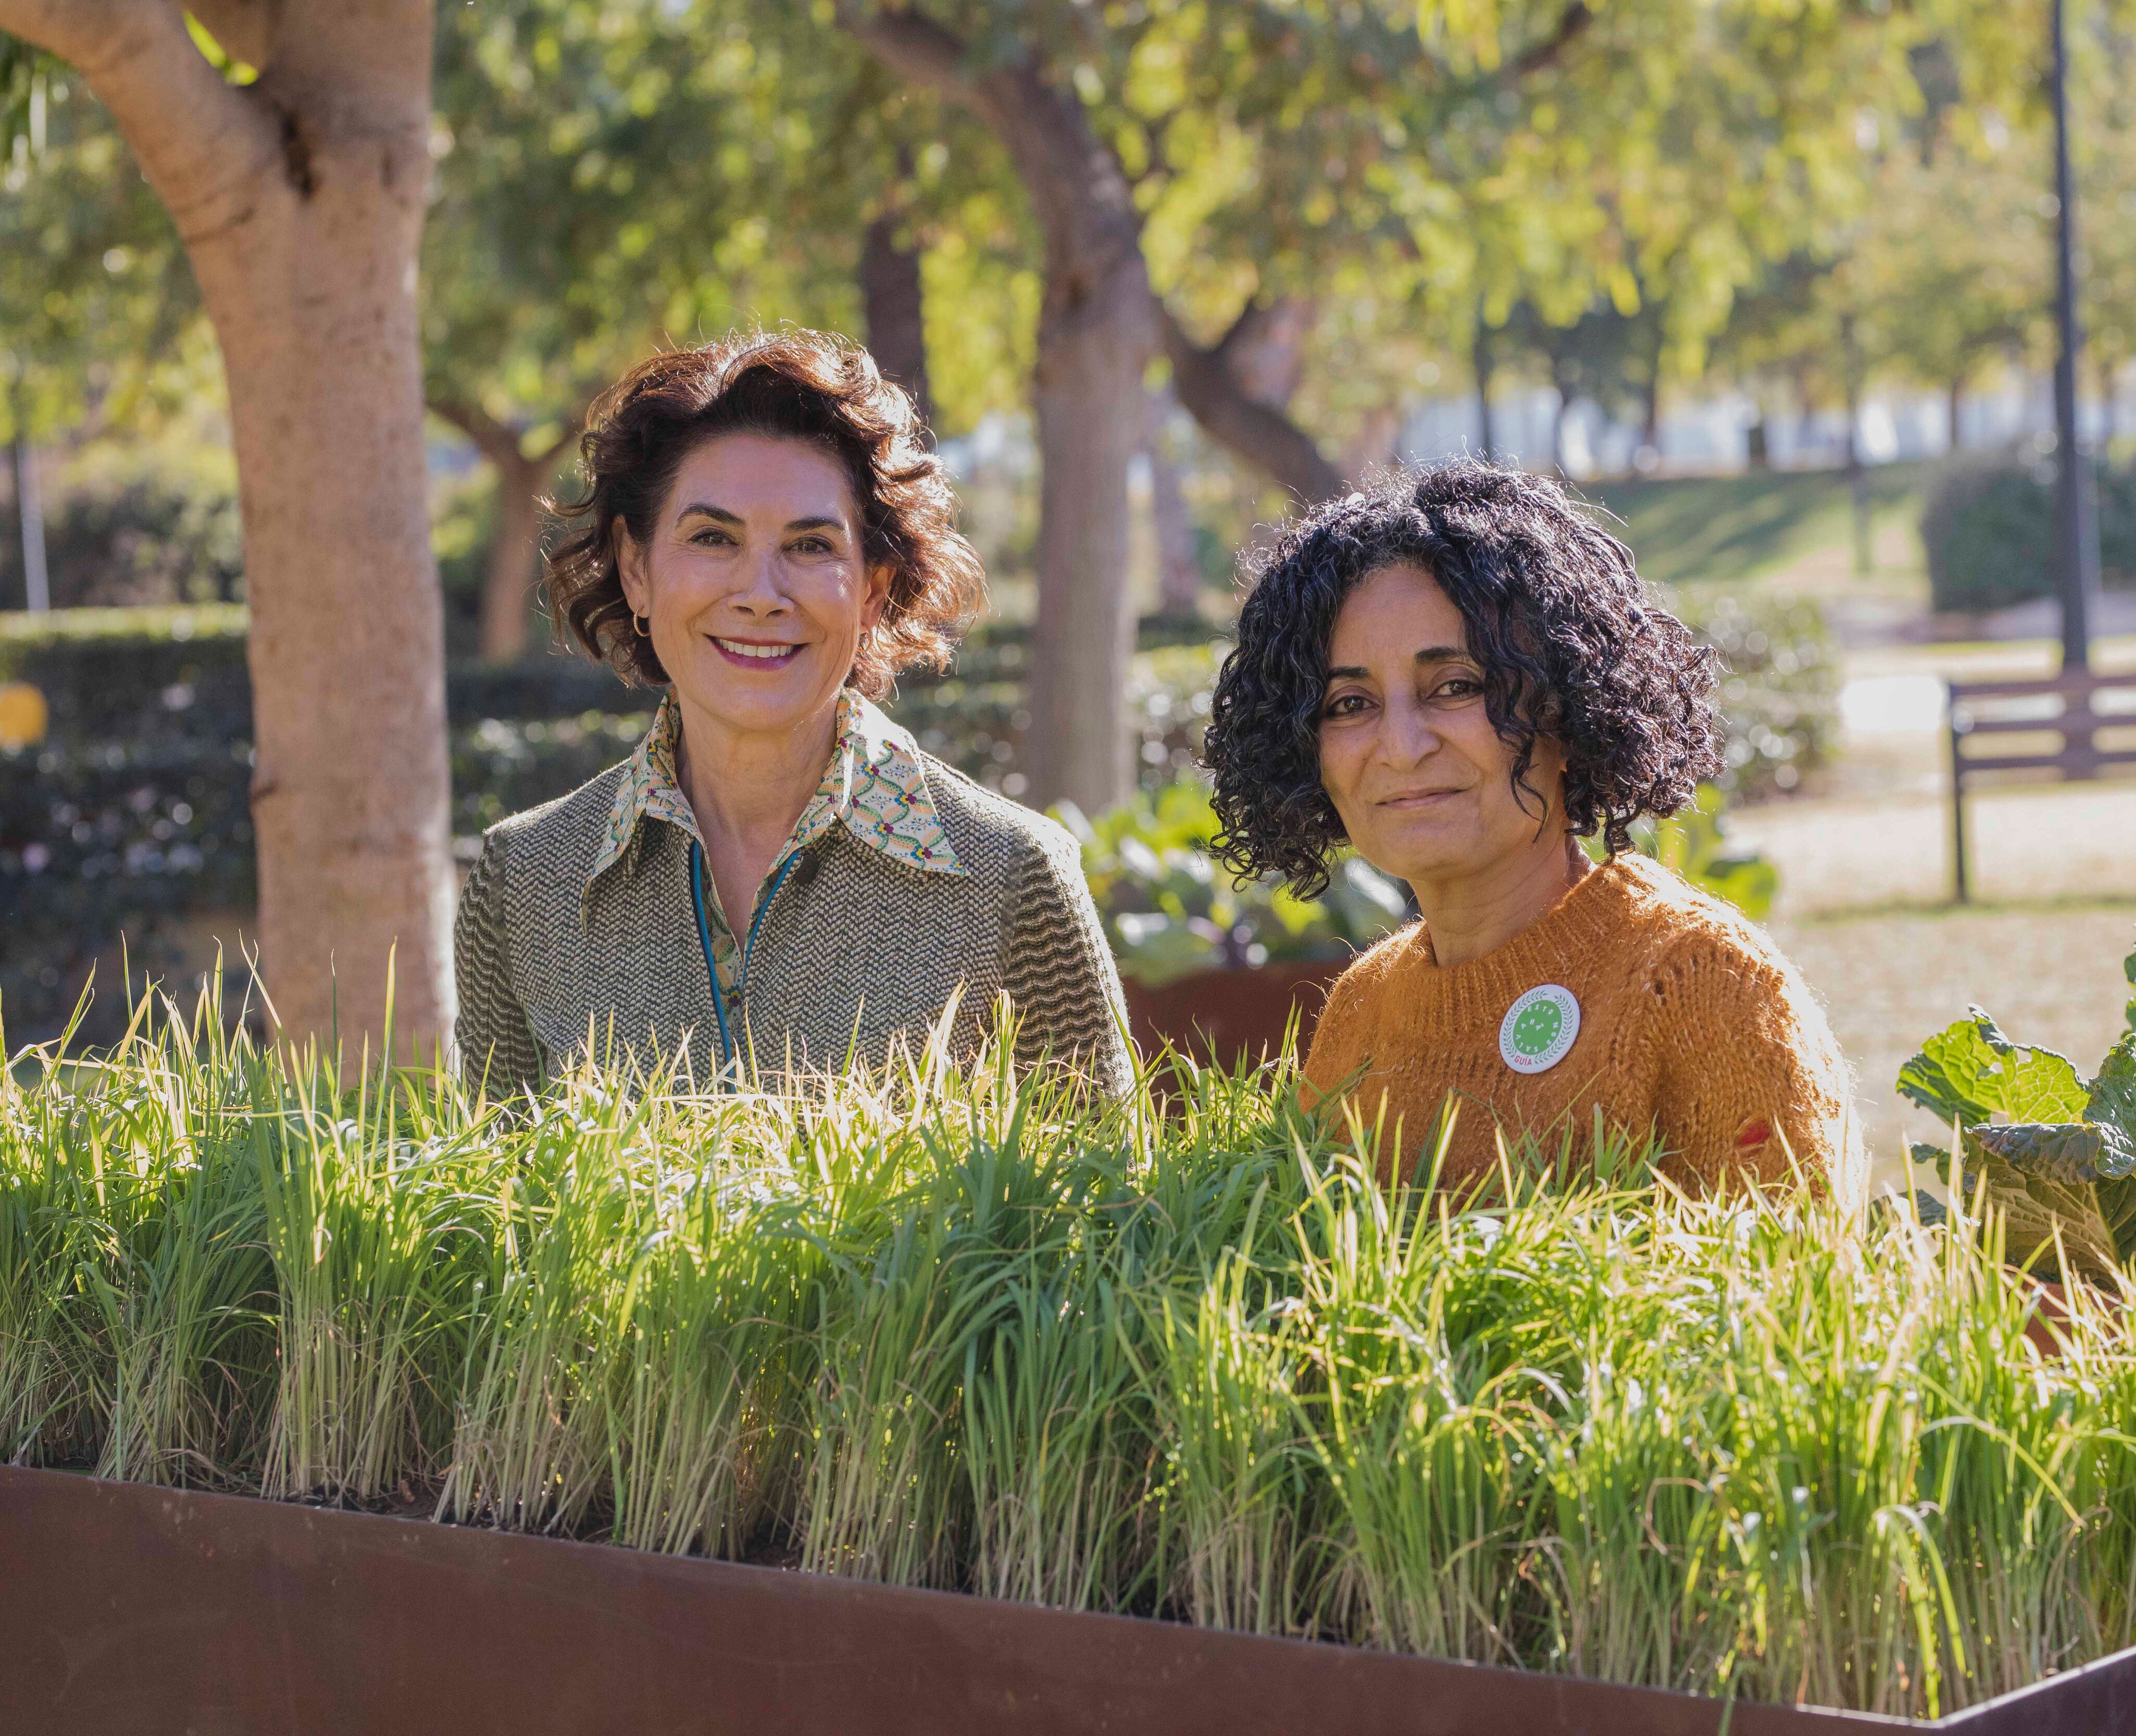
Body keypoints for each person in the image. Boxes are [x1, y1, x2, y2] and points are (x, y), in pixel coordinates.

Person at [453, 330, 1130, 1096]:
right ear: (637, 570)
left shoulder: (1012, 875)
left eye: (810, 547)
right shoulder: (522, 882)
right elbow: (491, 1175)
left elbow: (1105, 1175)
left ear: (872, 590)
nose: (761, 595)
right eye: (713, 538)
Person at [1203, 461, 1856, 1195]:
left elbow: (1794, 1267)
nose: (1402, 746)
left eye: (1456, 687)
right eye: (1350, 703)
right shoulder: (1361, 1012)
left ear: (1570, 707)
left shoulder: (1701, 986)